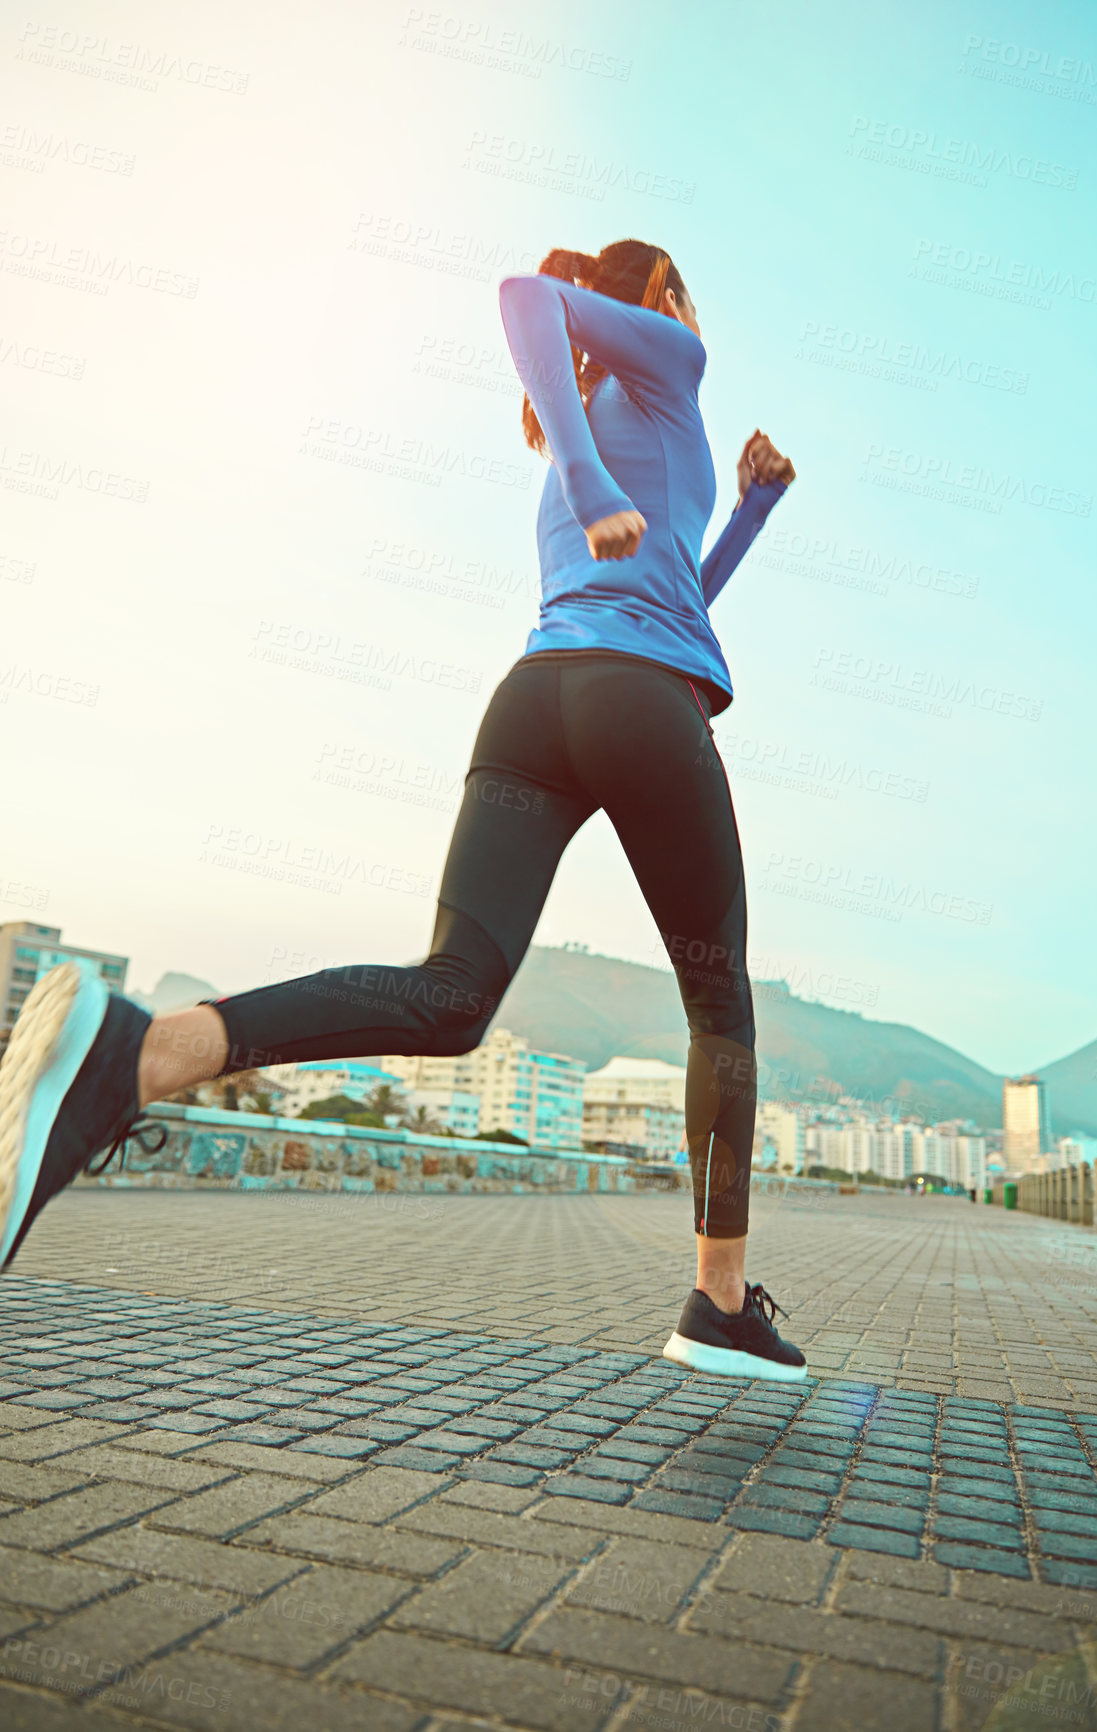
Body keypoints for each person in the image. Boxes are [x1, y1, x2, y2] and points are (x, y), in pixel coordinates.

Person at [0, 238, 805, 1382]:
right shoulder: (671, 357)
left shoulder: (591, 429)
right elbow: (524, 296)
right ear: (664, 297)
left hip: (534, 706)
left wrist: (750, 512)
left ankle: (144, 1051)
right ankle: (719, 1304)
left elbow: (670, 596)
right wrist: (592, 483)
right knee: (719, 1011)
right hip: (638, 708)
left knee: (448, 995)